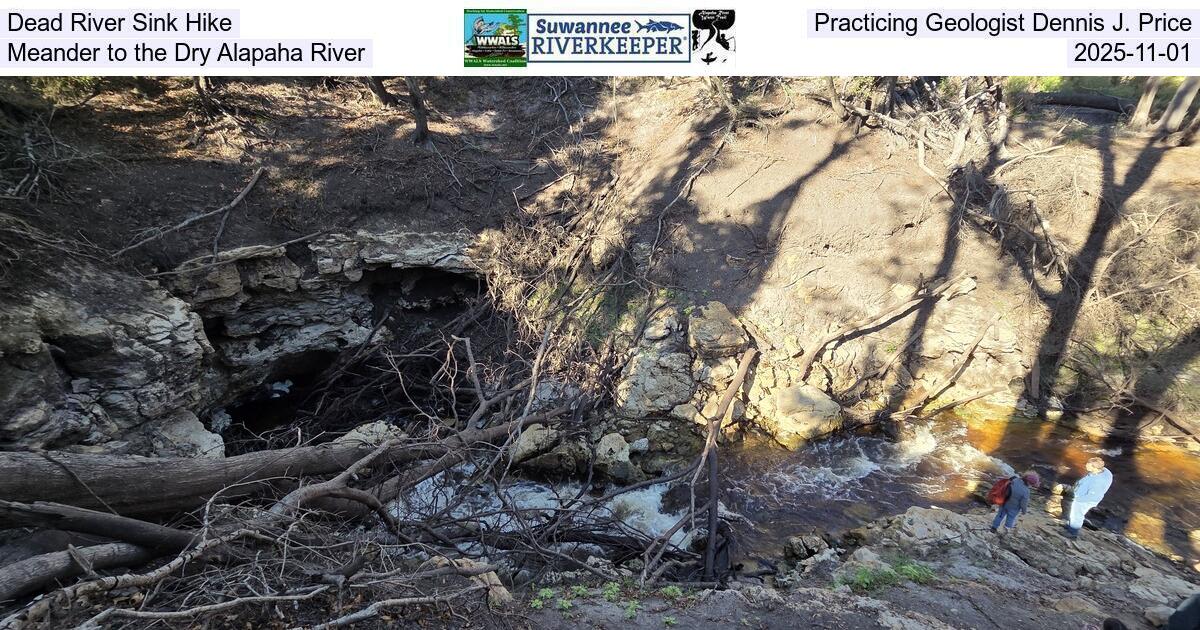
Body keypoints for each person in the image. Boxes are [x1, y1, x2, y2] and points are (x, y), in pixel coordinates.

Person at [1066, 456, 1113, 539]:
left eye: (1089, 465)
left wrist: (1078, 499)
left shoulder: (1097, 482)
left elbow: (1093, 496)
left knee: (1077, 515)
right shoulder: (1105, 472)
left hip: (1084, 500)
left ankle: (1072, 533)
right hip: (1081, 496)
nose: (1086, 466)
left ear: (1095, 468)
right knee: (1073, 513)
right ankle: (1070, 525)